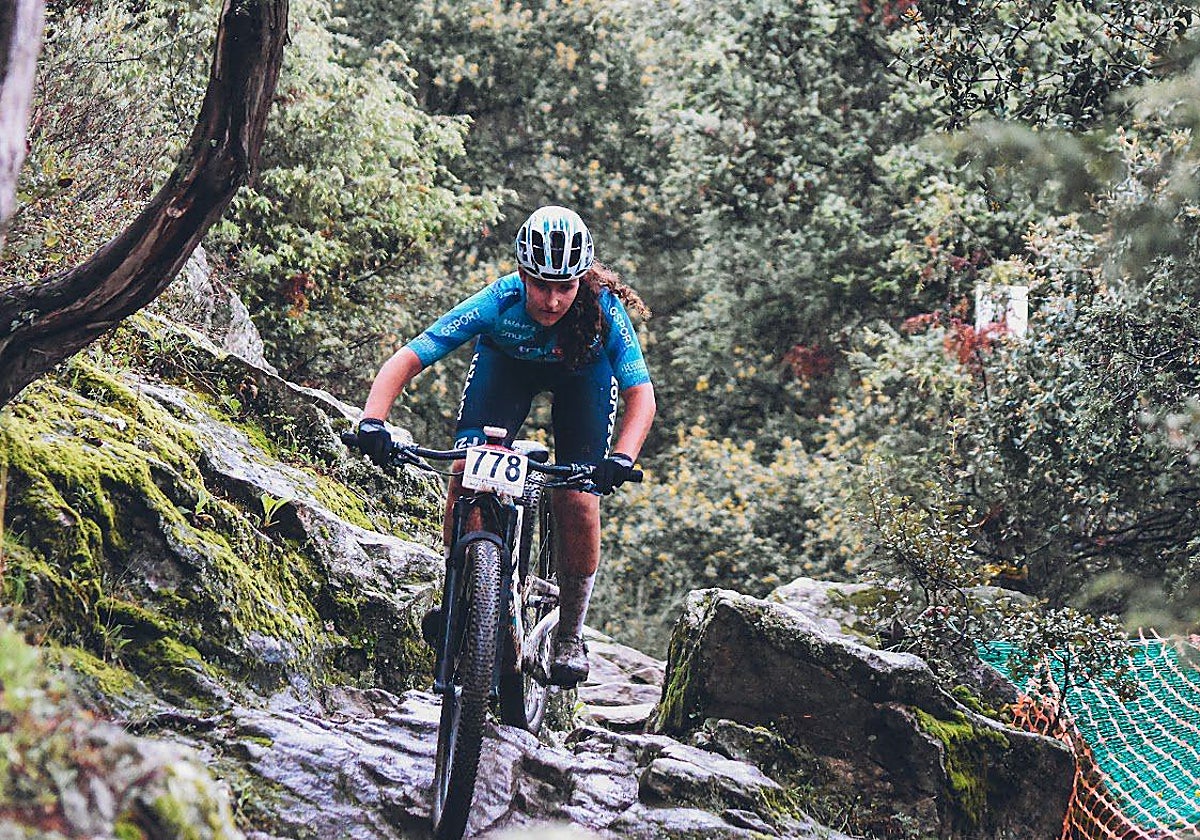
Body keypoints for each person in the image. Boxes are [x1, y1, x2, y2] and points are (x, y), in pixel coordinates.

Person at [355, 205, 656, 686]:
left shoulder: (603, 311)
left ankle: (570, 634)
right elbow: (413, 355)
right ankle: (459, 595)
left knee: (578, 499)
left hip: (583, 378)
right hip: (507, 370)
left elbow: (641, 394)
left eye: (565, 286)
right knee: (466, 472)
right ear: (521, 274)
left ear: (582, 280)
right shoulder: (501, 300)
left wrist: (620, 459)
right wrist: (372, 421)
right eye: (540, 284)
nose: (553, 300)